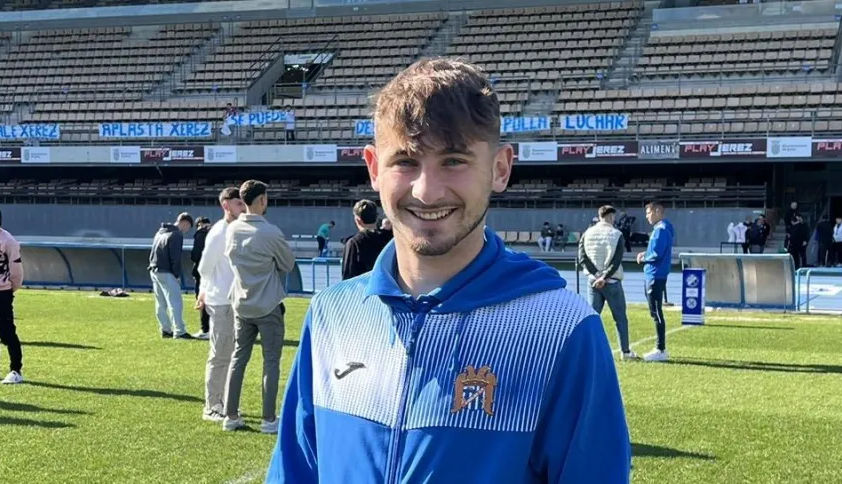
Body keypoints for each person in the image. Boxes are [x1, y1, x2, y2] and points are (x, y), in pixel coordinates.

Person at [267, 58, 630, 483]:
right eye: (405, 161)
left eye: (453, 160)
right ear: (373, 168)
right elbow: (294, 471)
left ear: (500, 168)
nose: (426, 190)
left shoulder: (561, 331)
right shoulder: (333, 314)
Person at [223, 180, 296, 434]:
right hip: (268, 304)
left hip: (241, 303)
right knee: (271, 362)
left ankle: (230, 415)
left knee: (238, 359)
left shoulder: (232, 230)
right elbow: (287, 264)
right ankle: (268, 419)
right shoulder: (270, 232)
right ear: (262, 200)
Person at [195, 188, 246, 422]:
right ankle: (212, 405)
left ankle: (224, 403)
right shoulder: (219, 232)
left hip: (233, 301)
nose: (242, 207)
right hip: (222, 302)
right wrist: (207, 290)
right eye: (238, 203)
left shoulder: (236, 229)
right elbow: (204, 268)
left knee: (231, 355)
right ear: (225, 205)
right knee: (220, 356)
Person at [578, 205, 636, 360]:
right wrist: (604, 276)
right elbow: (616, 260)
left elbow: (582, 258)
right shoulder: (616, 234)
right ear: (611, 216)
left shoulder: (587, 233)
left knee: (592, 317)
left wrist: (597, 275)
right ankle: (625, 351)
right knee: (620, 318)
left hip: (593, 282)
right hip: (612, 281)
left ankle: (587, 350)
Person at [637, 202, 675, 363]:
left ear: (658, 211)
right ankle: (660, 348)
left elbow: (656, 254)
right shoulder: (664, 228)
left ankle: (660, 349)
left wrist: (644, 257)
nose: (647, 216)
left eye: (649, 213)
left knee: (656, 312)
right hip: (655, 274)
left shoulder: (661, 230)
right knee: (655, 311)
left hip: (655, 274)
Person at [0, 205, 24, 384]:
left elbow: (16, 268)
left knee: (6, 332)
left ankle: (16, 370)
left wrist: (11, 287)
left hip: (2, 293)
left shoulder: (7, 241)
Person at [148, 212, 193, 340]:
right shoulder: (176, 235)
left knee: (160, 303)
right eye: (188, 227)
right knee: (175, 302)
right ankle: (179, 331)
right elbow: (175, 257)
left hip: (154, 269)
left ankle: (165, 329)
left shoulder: (160, 233)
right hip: (166, 271)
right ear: (185, 223)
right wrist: (177, 274)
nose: (186, 231)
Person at [342, 199, 391, 280]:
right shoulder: (389, 238)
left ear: (358, 220)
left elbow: (348, 277)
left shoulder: (354, 243)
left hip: (362, 290)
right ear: (376, 218)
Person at [191, 216, 212, 340]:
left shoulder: (200, 235)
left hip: (202, 273)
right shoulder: (216, 233)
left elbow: (195, 255)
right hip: (216, 273)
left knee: (202, 300)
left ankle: (205, 329)